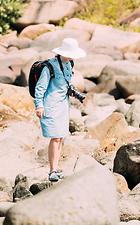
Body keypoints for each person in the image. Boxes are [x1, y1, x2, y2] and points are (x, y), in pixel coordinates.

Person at [34, 38, 86, 182]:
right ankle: (52, 171)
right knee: (55, 137)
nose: (72, 56)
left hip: (63, 104)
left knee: (60, 137)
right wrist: (39, 105)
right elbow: (40, 88)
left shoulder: (70, 63)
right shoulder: (49, 67)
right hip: (50, 105)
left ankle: (55, 169)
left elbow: (65, 83)